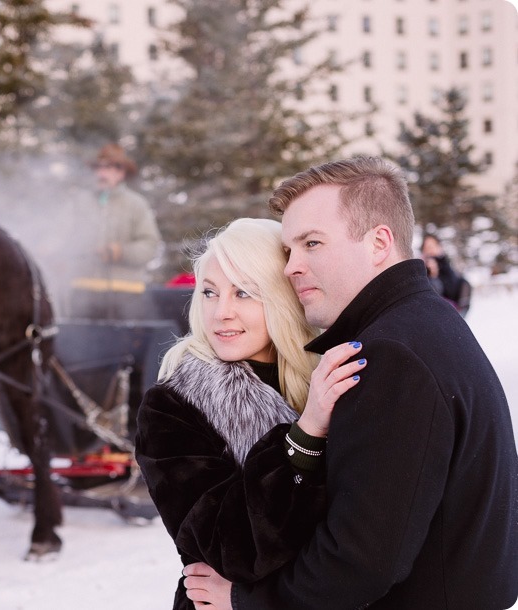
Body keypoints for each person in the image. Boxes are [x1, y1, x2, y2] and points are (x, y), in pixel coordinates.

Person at [184, 156, 518, 609]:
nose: (290, 267)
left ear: (379, 242)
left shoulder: (389, 354)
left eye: (312, 243)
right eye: (289, 250)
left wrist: (247, 601)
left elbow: (362, 560)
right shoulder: (424, 324)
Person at [134, 218, 366, 609]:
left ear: (284, 296)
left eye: (243, 293)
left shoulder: (334, 373)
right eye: (209, 293)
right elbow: (233, 550)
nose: (220, 312)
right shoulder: (172, 407)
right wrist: (305, 434)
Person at [66, 143, 162, 319]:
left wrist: (121, 252)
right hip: (83, 292)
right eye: (99, 168)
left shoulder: (137, 204)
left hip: (126, 294)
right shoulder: (79, 202)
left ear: (121, 173)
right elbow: (64, 238)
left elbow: (149, 246)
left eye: (108, 168)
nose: (101, 174)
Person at [421, 233, 471, 316]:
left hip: (452, 304)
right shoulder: (421, 267)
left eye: (432, 246)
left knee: (465, 283)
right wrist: (433, 275)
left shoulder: (445, 264)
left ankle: (458, 317)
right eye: (427, 247)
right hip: (434, 309)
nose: (430, 250)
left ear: (439, 247)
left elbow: (452, 288)